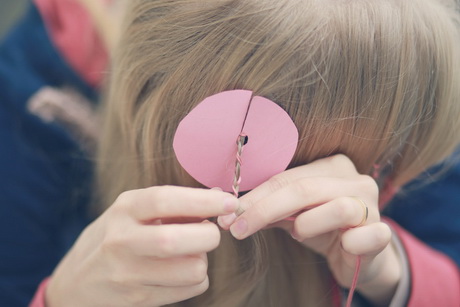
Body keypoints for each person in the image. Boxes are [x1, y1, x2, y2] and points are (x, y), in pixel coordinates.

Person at [0, 0, 459, 306]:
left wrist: (393, 273)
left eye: (387, 163)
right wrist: (63, 297)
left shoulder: (406, 80)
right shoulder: (28, 97)